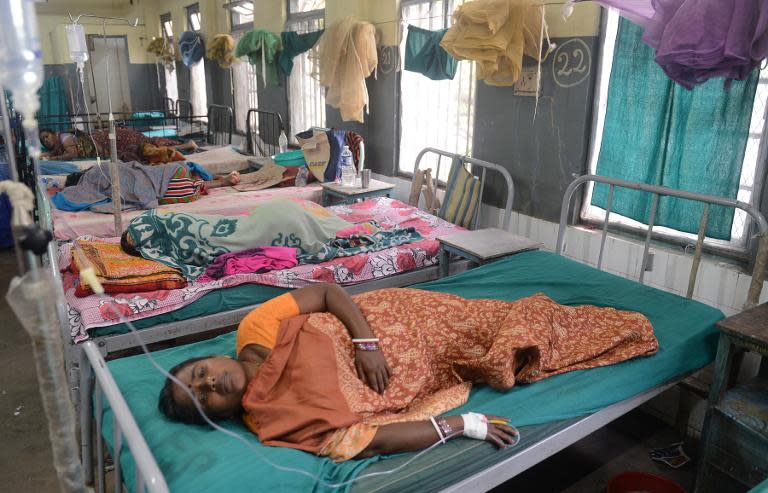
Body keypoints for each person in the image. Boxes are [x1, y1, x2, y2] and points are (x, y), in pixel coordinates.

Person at [157, 284, 659, 461]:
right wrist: (465, 425)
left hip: (401, 314)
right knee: (507, 361)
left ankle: (612, 325)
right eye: (203, 396)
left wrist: (367, 342)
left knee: (511, 325)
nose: (210, 382)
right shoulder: (277, 425)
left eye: (200, 372)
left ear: (212, 359)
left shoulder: (257, 326)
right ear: (215, 415)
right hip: (427, 376)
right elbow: (368, 440)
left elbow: (330, 293)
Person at [39, 127, 198, 161]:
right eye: (43, 140)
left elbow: (72, 154)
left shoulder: (64, 138)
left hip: (115, 139)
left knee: (149, 146)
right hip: (110, 141)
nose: (46, 140)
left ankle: (186, 146)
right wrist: (46, 155)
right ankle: (186, 145)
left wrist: (51, 159)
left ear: (54, 134)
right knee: (148, 145)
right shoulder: (58, 145)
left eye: (47, 136)